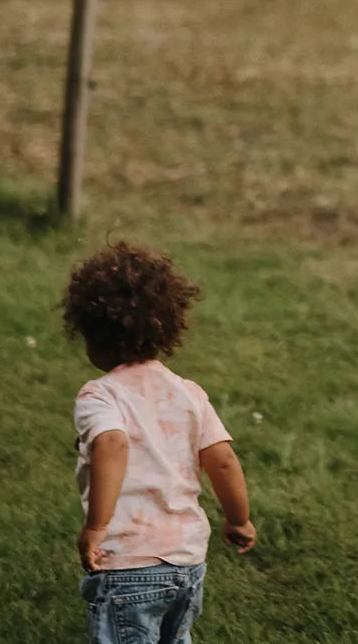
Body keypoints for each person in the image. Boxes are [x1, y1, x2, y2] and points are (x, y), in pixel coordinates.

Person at [62, 241, 256, 644]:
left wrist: (97, 526)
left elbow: (112, 444)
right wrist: (238, 518)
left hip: (128, 563)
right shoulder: (187, 392)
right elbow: (222, 459)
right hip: (188, 562)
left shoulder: (101, 395)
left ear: (93, 337)